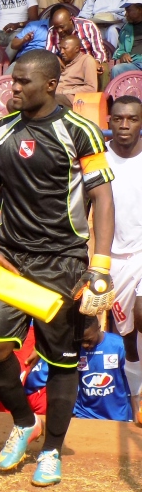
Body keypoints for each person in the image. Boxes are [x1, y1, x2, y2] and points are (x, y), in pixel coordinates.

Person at [0, 49, 115, 487]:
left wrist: (100, 264)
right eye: (13, 80)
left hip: (63, 262)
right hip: (10, 258)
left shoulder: (80, 131)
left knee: (61, 360)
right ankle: (23, 421)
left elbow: (102, 198)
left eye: (23, 82)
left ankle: (52, 449)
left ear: (51, 85)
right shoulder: (0, 131)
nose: (13, 87)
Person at [105, 96, 142, 415]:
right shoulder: (99, 160)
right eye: (119, 119)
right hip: (114, 257)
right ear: (109, 122)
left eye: (132, 119)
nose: (125, 125)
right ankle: (135, 394)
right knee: (125, 334)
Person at [111, 0, 142, 77]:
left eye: (128, 11)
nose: (126, 14)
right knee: (117, 69)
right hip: (133, 63)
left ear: (140, 10)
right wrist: (123, 54)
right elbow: (118, 50)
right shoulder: (126, 28)